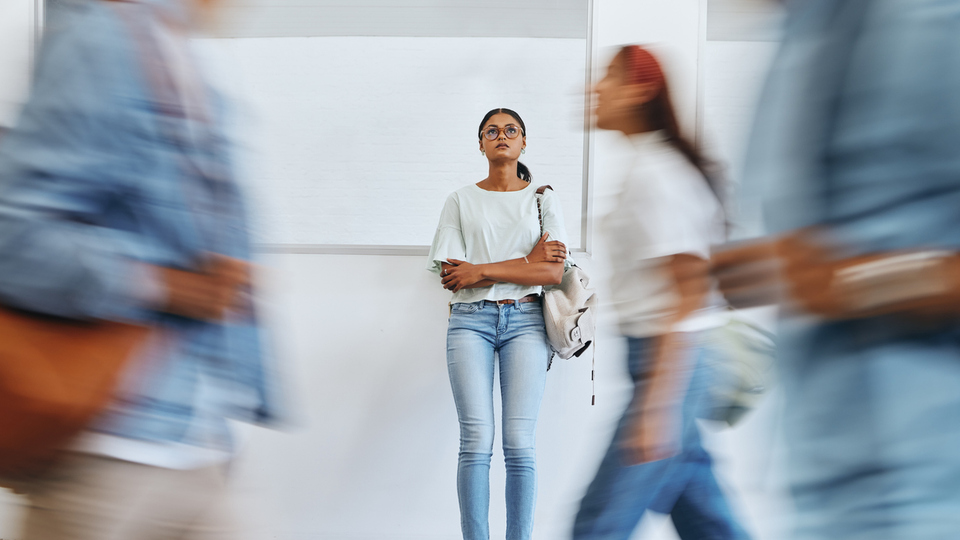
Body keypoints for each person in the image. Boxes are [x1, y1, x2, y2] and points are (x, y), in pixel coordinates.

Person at [0, 0, 282, 538]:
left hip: (193, 435)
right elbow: (13, 236)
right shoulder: (101, 41)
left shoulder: (178, 52)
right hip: (108, 443)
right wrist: (164, 285)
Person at [711, 1, 960, 538]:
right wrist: (762, 272)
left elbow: (831, 276)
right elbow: (808, 260)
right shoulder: (798, 40)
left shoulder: (934, 22)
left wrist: (851, 284)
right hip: (822, 487)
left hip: (931, 491)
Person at [572, 45, 750, 540]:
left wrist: (659, 403)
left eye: (607, 77)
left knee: (596, 526)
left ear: (640, 91)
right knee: (708, 524)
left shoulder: (658, 173)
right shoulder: (647, 167)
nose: (593, 89)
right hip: (664, 364)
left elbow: (688, 289)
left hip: (670, 366)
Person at [427, 107, 570, 540]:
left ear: (524, 142)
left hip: (527, 320)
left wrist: (484, 270)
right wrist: (525, 262)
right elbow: (454, 274)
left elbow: (551, 274)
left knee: (519, 446)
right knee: (475, 442)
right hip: (470, 321)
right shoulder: (460, 200)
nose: (501, 135)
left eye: (511, 130)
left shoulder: (543, 199)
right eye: (492, 131)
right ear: (481, 144)